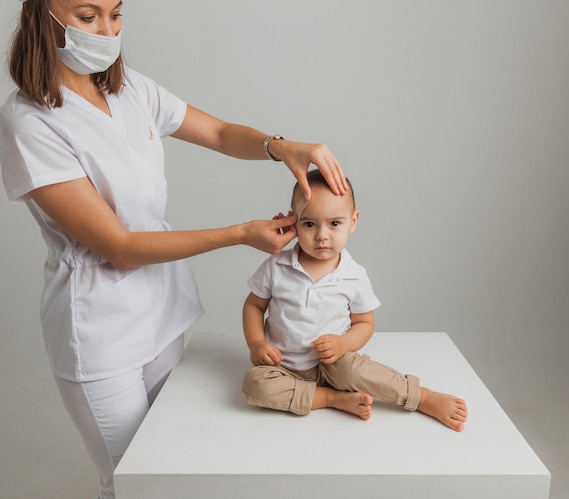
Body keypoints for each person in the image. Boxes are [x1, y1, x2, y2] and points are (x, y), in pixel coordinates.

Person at [0, 1, 348, 498]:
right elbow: (118, 246)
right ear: (43, 16)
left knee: (173, 465)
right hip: (99, 329)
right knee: (129, 482)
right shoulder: (28, 121)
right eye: (87, 16)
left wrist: (280, 146)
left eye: (116, 14)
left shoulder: (128, 89)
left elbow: (222, 134)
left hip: (161, 310)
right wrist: (239, 235)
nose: (107, 30)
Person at [242, 169, 468, 430]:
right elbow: (254, 306)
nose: (322, 235)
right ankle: (331, 398)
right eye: (309, 224)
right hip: (282, 366)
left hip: (333, 363)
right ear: (293, 223)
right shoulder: (277, 266)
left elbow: (365, 323)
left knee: (357, 371)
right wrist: (257, 343)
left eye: (334, 223)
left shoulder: (353, 275)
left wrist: (343, 343)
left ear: (353, 221)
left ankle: (421, 396)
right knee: (254, 384)